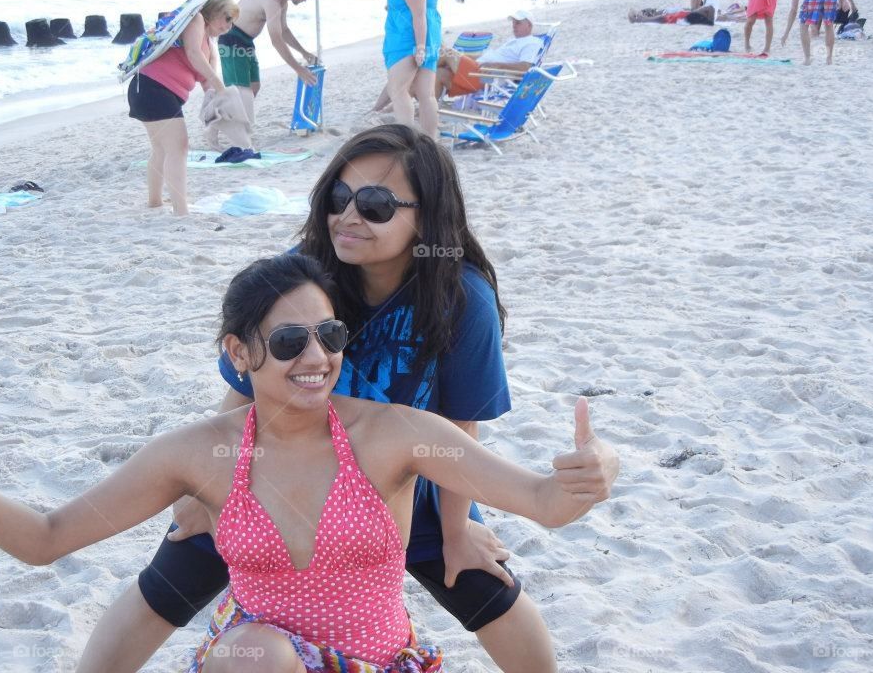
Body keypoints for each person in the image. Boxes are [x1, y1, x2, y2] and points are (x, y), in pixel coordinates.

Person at [0, 254, 621, 673]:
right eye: (290, 341)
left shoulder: (400, 436)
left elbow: (542, 501)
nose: (317, 358)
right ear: (238, 353)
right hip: (253, 666)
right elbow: (48, 539)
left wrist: (595, 468)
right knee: (260, 651)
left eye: (330, 335)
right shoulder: (200, 452)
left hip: (379, 663)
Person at [74, 125, 565, 673]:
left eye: (377, 204)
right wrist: (205, 487)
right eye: (339, 196)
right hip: (278, 475)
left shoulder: (459, 295)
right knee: (169, 581)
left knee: (486, 589)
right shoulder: (306, 273)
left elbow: (459, 420)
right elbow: (243, 387)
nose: (350, 216)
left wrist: (456, 530)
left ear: (426, 218)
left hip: (407, 479)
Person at [127, 0, 237, 216]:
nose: (228, 26)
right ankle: (181, 211)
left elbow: (206, 78)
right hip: (153, 88)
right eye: (226, 18)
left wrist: (219, 102)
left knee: (162, 149)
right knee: (179, 147)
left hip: (150, 90)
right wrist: (220, 86)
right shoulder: (195, 19)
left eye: (232, 22)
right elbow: (193, 55)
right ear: (213, 12)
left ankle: (155, 203)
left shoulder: (209, 42)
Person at [219, 0, 318, 143]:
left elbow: (284, 31)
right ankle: (236, 131)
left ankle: (223, 115)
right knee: (241, 90)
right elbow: (276, 39)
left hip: (247, 41)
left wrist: (304, 52)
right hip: (232, 38)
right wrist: (298, 69)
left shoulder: (282, 2)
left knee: (254, 87)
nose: (305, 0)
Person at [383, 0, 441, 136]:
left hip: (408, 41)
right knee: (426, 95)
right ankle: (431, 142)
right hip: (426, 36)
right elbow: (419, 8)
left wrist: (421, 48)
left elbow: (419, 15)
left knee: (398, 91)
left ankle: (407, 139)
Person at [435, 11, 544, 98]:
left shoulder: (532, 42)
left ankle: (422, 67)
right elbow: (483, 57)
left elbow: (525, 68)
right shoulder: (513, 41)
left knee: (448, 53)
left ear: (529, 25)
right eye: (513, 23)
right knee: (439, 73)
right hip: (477, 71)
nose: (514, 26)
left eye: (518, 23)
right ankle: (427, 109)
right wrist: (462, 55)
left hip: (486, 77)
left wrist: (496, 65)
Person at [780, 0, 853, 64]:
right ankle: (829, 59)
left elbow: (793, 10)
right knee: (829, 24)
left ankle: (807, 59)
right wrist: (843, 0)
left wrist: (786, 33)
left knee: (804, 24)